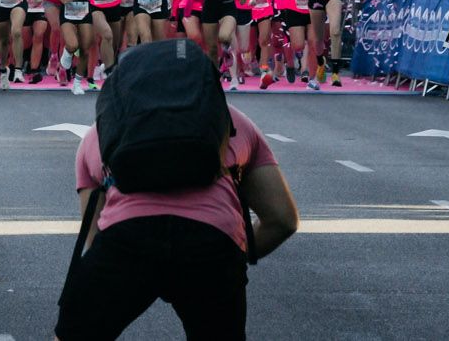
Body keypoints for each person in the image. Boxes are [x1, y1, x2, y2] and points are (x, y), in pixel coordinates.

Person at [56, 50, 300, 340]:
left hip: (129, 241)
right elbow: (282, 220)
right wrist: (233, 258)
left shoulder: (101, 132)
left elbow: (94, 234)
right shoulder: (233, 121)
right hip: (210, 244)